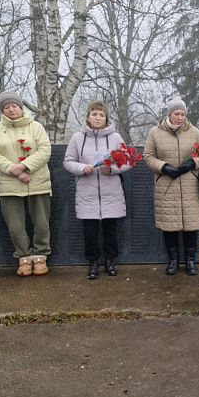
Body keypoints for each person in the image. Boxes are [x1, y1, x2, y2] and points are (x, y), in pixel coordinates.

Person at [0, 91, 52, 276]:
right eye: (6, 107)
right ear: (2, 110)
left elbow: (45, 150)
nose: (11, 109)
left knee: (41, 223)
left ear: (21, 107)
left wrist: (24, 166)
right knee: (15, 226)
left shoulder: (36, 127)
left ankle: (40, 256)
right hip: (9, 185)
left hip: (37, 182)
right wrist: (13, 169)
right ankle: (23, 256)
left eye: (14, 105)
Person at [63, 101, 132, 279]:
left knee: (110, 230)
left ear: (106, 118)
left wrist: (112, 169)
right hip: (87, 193)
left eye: (101, 115)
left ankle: (110, 260)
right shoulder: (77, 138)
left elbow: (128, 161)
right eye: (94, 114)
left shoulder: (116, 138)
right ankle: (93, 262)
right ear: (88, 117)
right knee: (90, 232)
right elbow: (68, 161)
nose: (98, 118)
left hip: (111, 193)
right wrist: (82, 168)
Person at [143, 97, 199, 276]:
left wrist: (193, 163)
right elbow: (148, 156)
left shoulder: (194, 131)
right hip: (166, 185)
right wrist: (164, 167)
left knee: (191, 224)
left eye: (183, 114)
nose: (180, 118)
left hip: (189, 185)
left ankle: (190, 261)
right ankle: (173, 260)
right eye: (176, 114)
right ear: (169, 114)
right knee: (169, 225)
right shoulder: (155, 132)